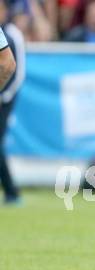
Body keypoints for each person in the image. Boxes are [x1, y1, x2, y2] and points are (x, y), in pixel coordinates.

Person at [0, 8, 19, 204]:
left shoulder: (14, 33)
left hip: (6, 98)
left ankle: (12, 192)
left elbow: (11, 67)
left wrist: (4, 96)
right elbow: (8, 64)